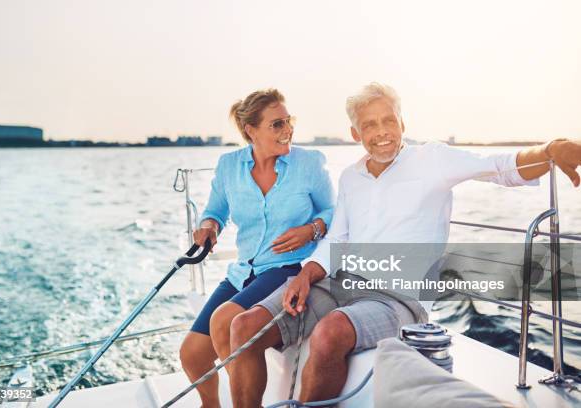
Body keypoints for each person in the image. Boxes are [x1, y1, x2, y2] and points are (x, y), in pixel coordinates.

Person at [227, 82, 581, 407]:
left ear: (402, 123)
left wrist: (550, 150)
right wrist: (305, 276)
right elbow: (338, 238)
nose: (382, 132)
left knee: (329, 333)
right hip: (339, 283)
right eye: (369, 125)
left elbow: (501, 167)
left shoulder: (432, 160)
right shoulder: (351, 176)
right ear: (355, 133)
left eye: (388, 121)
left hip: (399, 298)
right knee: (244, 327)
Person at [179, 88, 335, 407]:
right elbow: (215, 211)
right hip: (245, 269)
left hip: (290, 266)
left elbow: (334, 212)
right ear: (251, 131)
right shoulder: (228, 166)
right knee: (192, 355)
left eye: (288, 121)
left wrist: (312, 229)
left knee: (225, 320)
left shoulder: (309, 163)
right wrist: (208, 228)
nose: (287, 129)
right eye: (276, 124)